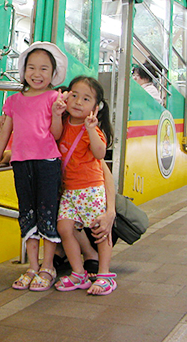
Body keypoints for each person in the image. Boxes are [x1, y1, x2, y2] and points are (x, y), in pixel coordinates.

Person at [0, 42, 68, 291]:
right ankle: (32, 267)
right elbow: (4, 136)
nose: (37, 74)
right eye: (31, 68)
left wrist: (58, 114)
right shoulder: (13, 101)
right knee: (27, 213)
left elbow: (56, 136)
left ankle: (47, 266)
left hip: (48, 162)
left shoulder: (53, 98)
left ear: (52, 74)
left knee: (47, 212)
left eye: (44, 69)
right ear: (24, 70)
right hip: (21, 164)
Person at [52, 76, 117, 295]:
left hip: (91, 189)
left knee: (99, 230)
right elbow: (53, 138)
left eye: (86, 99)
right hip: (70, 191)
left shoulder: (92, 129)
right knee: (64, 227)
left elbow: (100, 154)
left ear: (96, 108)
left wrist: (91, 128)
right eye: (74, 95)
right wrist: (56, 112)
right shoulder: (62, 123)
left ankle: (105, 275)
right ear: (65, 96)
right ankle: (79, 273)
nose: (78, 102)